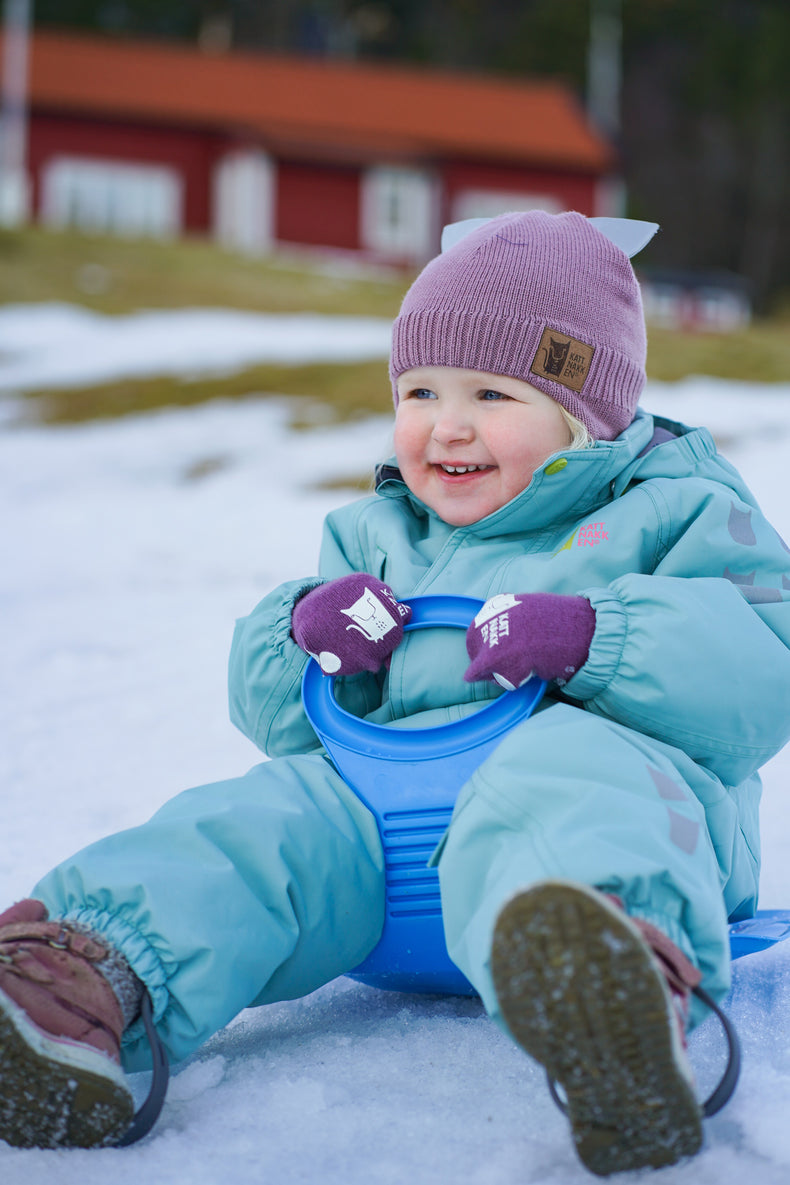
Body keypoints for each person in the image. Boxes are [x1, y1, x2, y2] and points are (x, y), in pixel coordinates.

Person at [2, 210, 789, 1175]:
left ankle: (608, 978)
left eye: (493, 393)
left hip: (588, 822)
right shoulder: (378, 530)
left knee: (567, 766)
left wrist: (597, 639)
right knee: (261, 817)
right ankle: (87, 979)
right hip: (385, 852)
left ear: (587, 412)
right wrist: (307, 636)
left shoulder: (676, 510)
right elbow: (279, 723)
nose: (446, 426)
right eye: (419, 390)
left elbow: (761, 671)